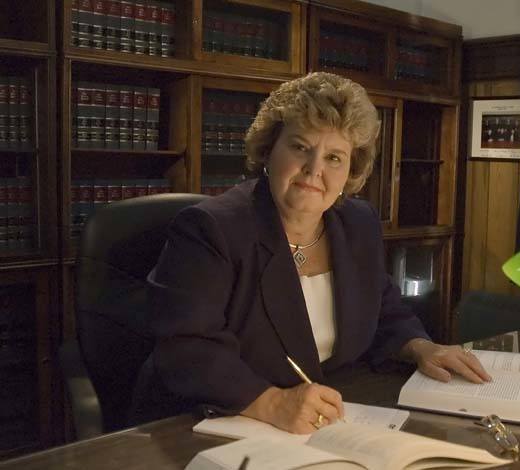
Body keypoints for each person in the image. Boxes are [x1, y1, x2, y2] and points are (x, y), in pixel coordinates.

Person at [132, 72, 490, 434]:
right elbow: (187, 347)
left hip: (322, 418)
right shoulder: (210, 229)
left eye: (334, 157)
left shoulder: (358, 223)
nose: (314, 169)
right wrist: (271, 402)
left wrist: (420, 347)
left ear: (352, 170)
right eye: (300, 147)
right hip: (207, 420)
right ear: (269, 149)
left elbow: (383, 307)